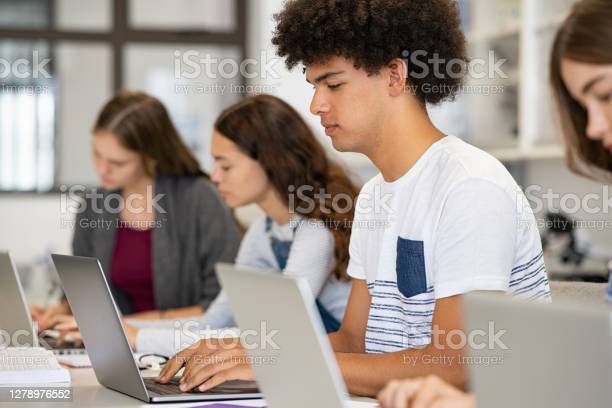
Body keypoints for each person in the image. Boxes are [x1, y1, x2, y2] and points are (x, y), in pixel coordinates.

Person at [157, 0, 550, 396]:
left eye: (333, 85)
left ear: (395, 75)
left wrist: (273, 360)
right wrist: (243, 351)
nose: (316, 105)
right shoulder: (374, 197)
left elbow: (455, 365)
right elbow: (353, 343)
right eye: (314, 87)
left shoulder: (468, 184)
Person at [125, 94, 358, 356]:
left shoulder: (316, 231)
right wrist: (126, 327)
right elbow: (213, 323)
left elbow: (273, 333)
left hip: (348, 374)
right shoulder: (263, 232)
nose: (215, 177)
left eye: (225, 166)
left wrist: (140, 339)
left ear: (270, 161)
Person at [31, 91, 240, 332]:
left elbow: (221, 307)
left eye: (117, 162)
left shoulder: (199, 199)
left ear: (150, 157)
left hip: (184, 349)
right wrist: (57, 312)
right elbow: (86, 297)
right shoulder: (94, 204)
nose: (102, 169)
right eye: (97, 154)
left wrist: (128, 327)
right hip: (115, 347)